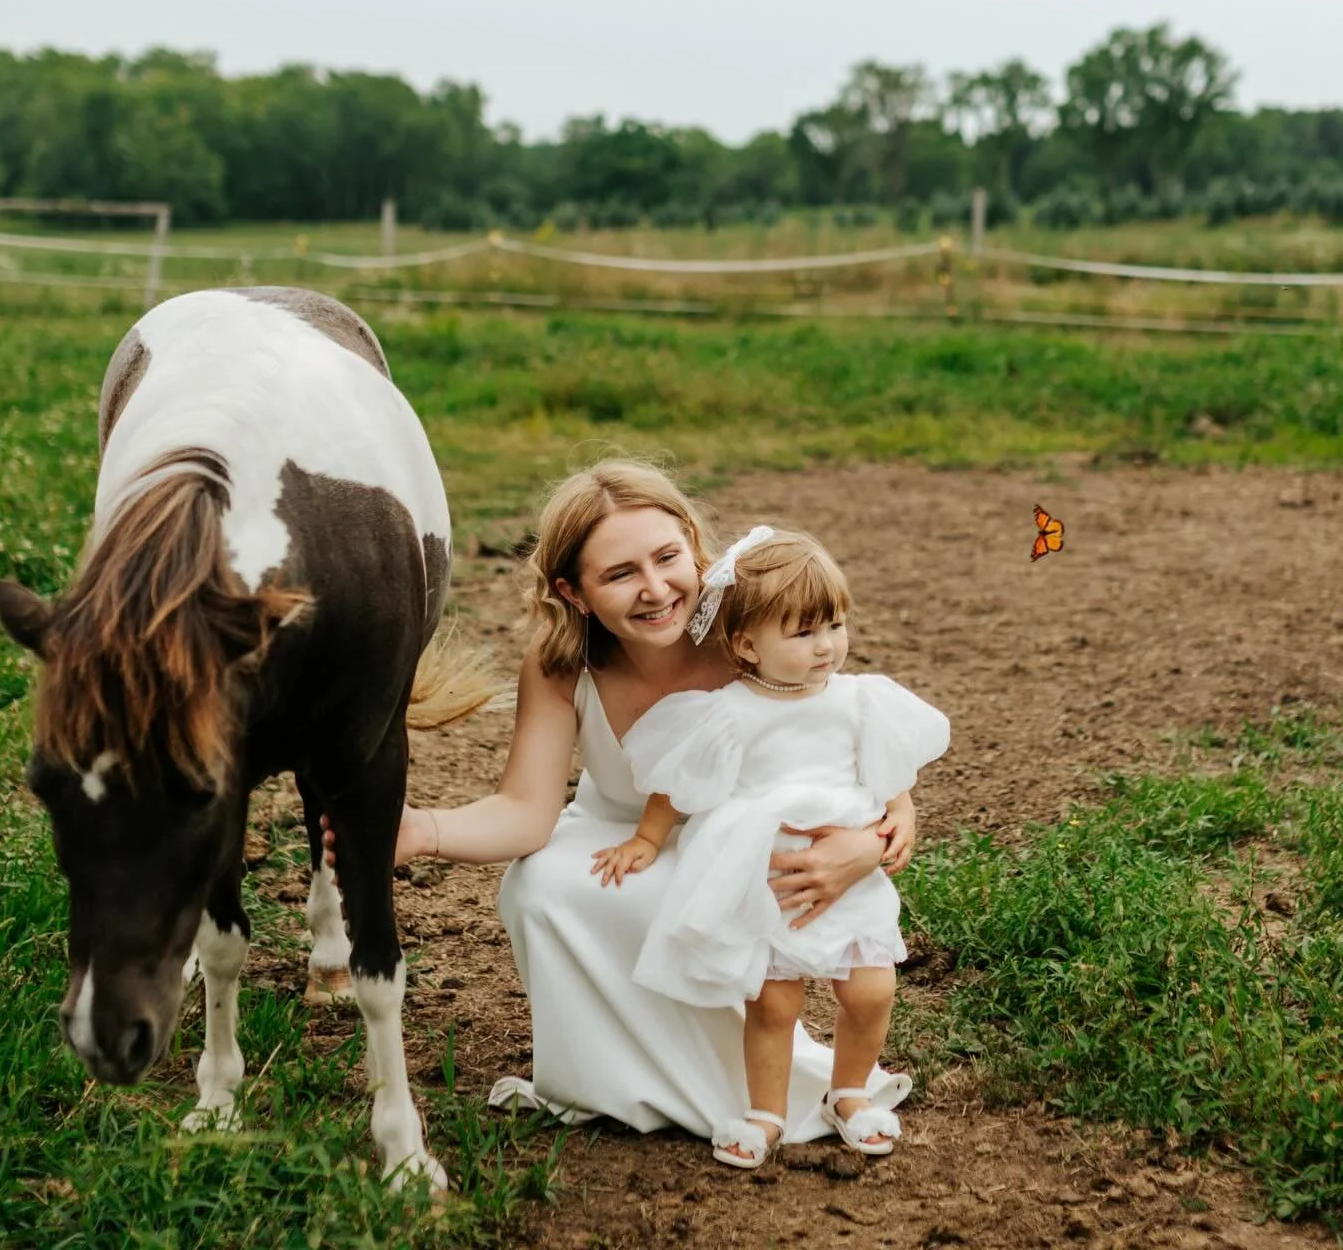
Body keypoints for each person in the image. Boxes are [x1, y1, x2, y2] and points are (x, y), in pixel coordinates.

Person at [340, 460, 918, 1142]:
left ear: (693, 543)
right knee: (541, 886)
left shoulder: (745, 632)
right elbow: (527, 811)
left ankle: (752, 1086)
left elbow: (847, 740)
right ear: (574, 591)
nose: (655, 589)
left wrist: (870, 842)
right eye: (619, 574)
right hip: (617, 831)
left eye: (668, 557)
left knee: (709, 895)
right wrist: (419, 829)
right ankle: (611, 1081)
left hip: (744, 842)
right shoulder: (563, 660)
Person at [592, 527, 949, 1167]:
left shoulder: (859, 699)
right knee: (774, 1003)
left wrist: (897, 809)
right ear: (747, 644)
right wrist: (648, 839)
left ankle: (850, 1093)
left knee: (870, 989)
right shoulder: (730, 711)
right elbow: (680, 785)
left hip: (851, 872)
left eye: (835, 626)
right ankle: (767, 1112)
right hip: (770, 876)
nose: (826, 647)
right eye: (804, 632)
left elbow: (887, 767)